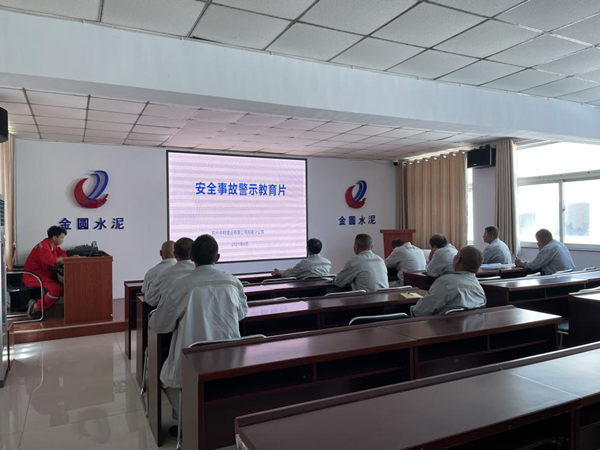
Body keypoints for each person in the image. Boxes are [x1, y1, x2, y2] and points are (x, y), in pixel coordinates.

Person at [149, 235, 248, 438]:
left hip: (192, 360)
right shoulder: (233, 282)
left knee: (165, 377)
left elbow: (161, 326)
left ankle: (187, 424)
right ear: (217, 257)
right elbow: (241, 314)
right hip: (229, 357)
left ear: (191, 257)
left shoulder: (181, 285)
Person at [411, 246, 486, 316]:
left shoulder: (445, 282)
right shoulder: (478, 287)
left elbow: (419, 311)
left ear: (458, 259)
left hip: (443, 325)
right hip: (472, 324)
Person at [23, 225, 78, 319]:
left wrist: (59, 260)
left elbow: (62, 253)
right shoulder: (43, 247)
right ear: (54, 237)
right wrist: (67, 259)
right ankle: (36, 307)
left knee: (66, 288)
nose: (62, 240)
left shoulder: (53, 246)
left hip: (44, 274)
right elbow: (52, 260)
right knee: (57, 289)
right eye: (61, 238)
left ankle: (40, 307)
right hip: (34, 276)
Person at [144, 237, 194, 307]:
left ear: (175, 254)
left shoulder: (163, 275)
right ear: (194, 254)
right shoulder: (203, 275)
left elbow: (150, 300)